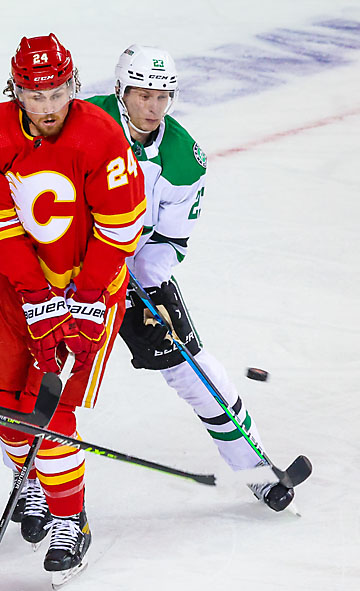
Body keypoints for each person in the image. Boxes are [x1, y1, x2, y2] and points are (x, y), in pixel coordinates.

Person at [0, 34, 146, 580]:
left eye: (55, 93)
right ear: (14, 90)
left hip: (94, 285)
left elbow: (121, 230)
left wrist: (84, 302)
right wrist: (37, 297)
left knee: (53, 405)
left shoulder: (102, 136)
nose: (45, 108)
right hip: (23, 288)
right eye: (32, 94)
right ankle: (39, 484)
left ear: (73, 85)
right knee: (3, 402)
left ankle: (73, 519)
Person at [86, 45, 296, 511]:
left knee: (193, 368)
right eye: (143, 94)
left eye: (163, 96)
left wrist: (148, 286)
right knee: (41, 375)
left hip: (134, 270)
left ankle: (257, 470)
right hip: (71, 271)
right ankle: (33, 485)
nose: (153, 106)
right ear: (121, 90)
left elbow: (170, 241)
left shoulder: (185, 158)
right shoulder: (86, 124)